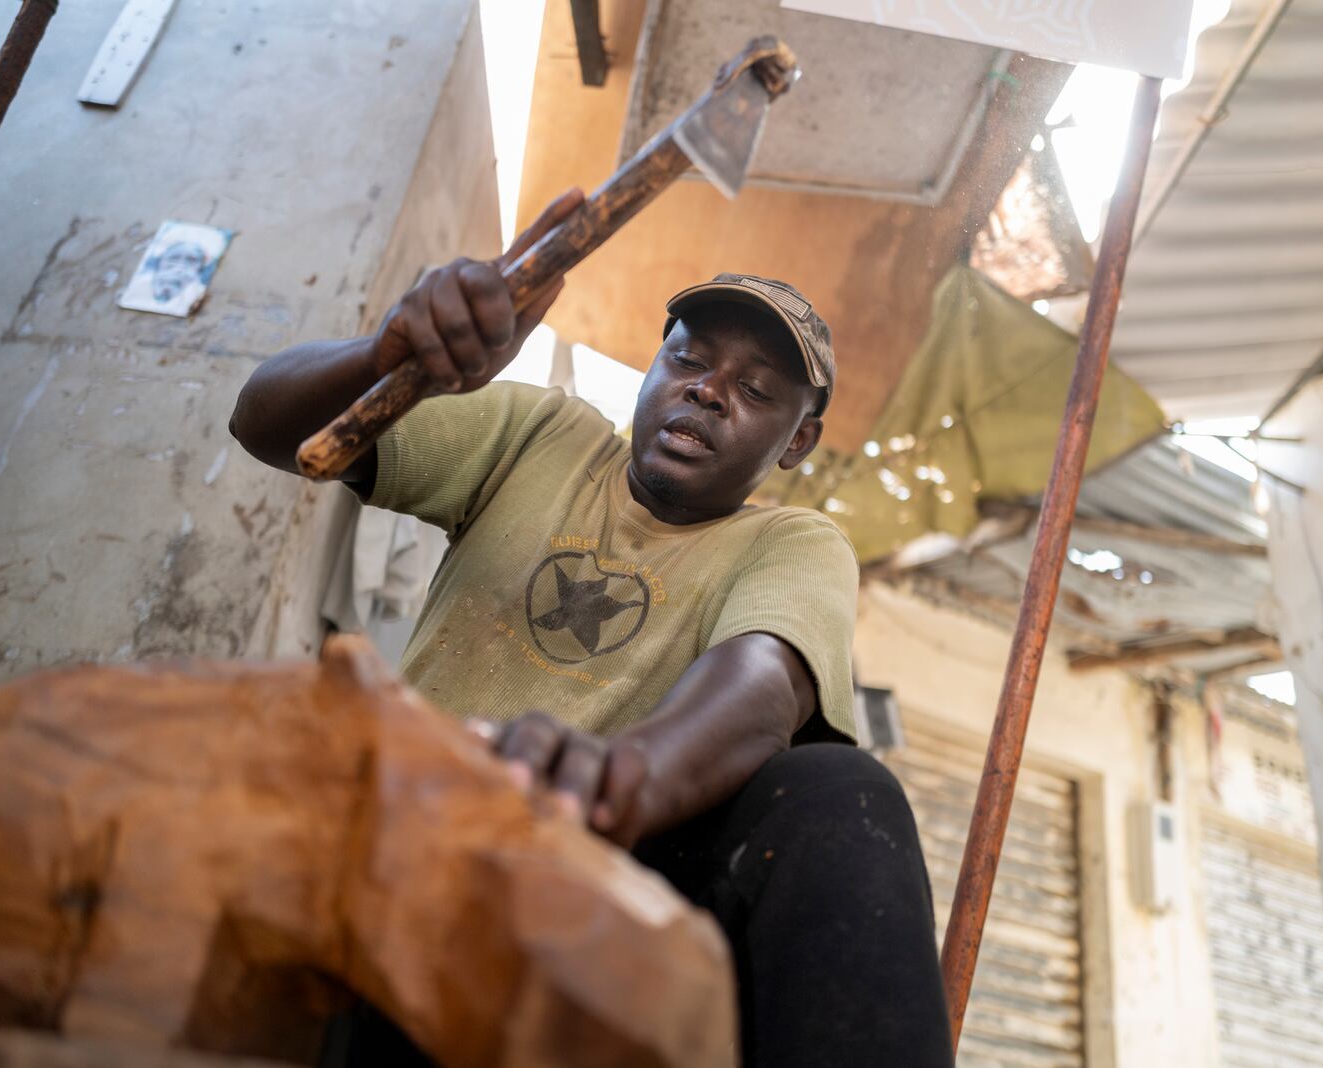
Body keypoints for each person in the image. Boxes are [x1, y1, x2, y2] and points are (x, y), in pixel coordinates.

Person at [230, 190, 952, 1067]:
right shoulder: (542, 435)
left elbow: (764, 684)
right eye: (688, 358)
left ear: (797, 443)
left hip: (613, 894)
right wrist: (392, 355)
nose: (709, 391)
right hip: (427, 853)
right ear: (653, 369)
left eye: (756, 390)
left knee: (841, 790)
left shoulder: (792, 543)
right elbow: (265, 423)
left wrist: (621, 778)